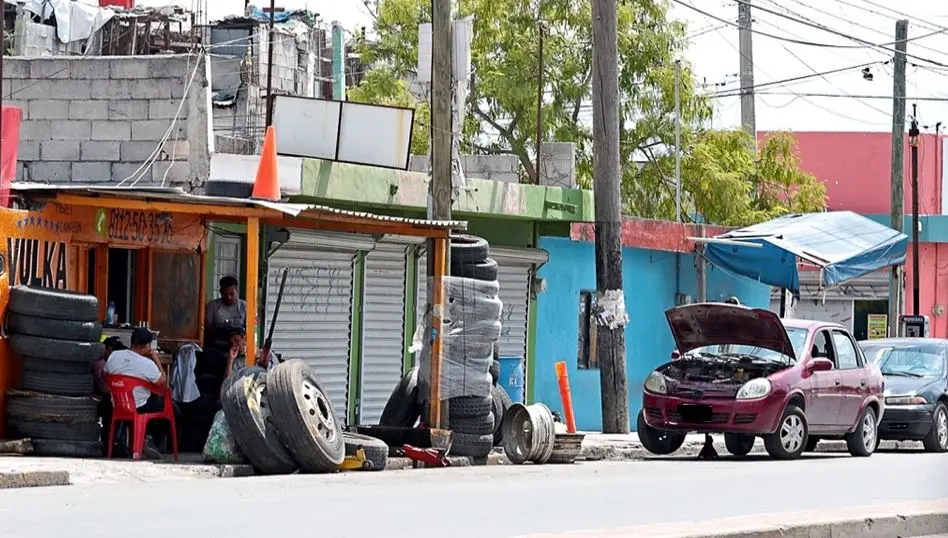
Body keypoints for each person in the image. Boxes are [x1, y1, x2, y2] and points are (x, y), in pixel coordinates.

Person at [104, 327, 168, 413]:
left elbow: (104, 374)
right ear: (146, 346)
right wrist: (156, 359)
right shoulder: (147, 364)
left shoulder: (114, 355)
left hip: (117, 404)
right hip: (139, 406)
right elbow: (162, 381)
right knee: (170, 405)